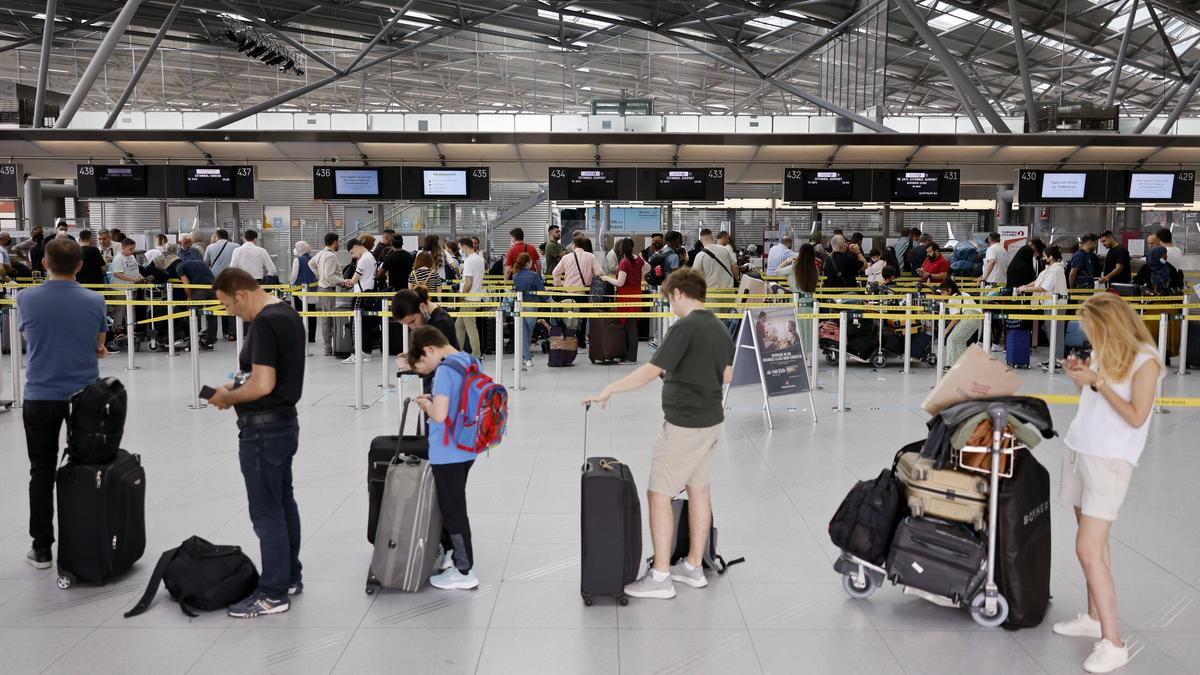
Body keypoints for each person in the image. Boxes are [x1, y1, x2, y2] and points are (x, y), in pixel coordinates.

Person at [583, 268, 734, 600]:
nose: (670, 306)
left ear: (678, 293)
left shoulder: (686, 326)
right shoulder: (718, 326)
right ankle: (693, 566)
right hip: (709, 420)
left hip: (684, 424)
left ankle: (661, 575)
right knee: (698, 490)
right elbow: (726, 374)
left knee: (659, 494)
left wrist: (610, 388)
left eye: (670, 299)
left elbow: (650, 372)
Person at [1054, 293, 1163, 674]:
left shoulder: (1146, 360)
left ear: (1112, 323)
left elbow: (1136, 417)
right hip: (1081, 449)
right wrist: (1082, 380)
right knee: (1094, 545)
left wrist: (1098, 382)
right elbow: (1095, 401)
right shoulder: (1106, 350)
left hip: (1110, 462)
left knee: (1088, 549)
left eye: (1094, 329)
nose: (1090, 337)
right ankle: (1093, 616)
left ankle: (1113, 642)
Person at [207, 268, 306, 618]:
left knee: (266, 512)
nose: (230, 312)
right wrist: (232, 386)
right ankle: (289, 575)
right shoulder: (287, 312)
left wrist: (227, 398)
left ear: (242, 294)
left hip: (263, 430)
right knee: (281, 502)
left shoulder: (264, 323)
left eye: (229, 305)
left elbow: (263, 384)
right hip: (283, 425)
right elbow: (257, 374)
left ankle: (273, 593)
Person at [17, 239, 108, 570]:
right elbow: (100, 345)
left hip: (40, 396)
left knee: (41, 470)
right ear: (81, 266)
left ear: (43, 263)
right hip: (84, 397)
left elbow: (31, 337)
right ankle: (84, 542)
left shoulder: (25, 297)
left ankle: (41, 547)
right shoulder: (95, 299)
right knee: (86, 468)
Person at [405, 327, 482, 590]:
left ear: (428, 350)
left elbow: (439, 415)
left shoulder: (445, 370)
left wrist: (427, 405)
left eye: (423, 363)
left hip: (447, 449)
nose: (425, 368)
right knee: (455, 503)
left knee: (453, 511)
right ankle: (454, 555)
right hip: (467, 444)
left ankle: (464, 570)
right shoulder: (470, 360)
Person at [390, 287, 460, 394]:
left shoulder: (440, 323)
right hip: (437, 385)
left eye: (412, 321)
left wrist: (409, 365)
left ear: (422, 307)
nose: (412, 327)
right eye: (408, 324)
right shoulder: (430, 320)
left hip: (447, 389)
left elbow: (434, 364)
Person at [1019, 244, 1068, 365]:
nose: (1043, 258)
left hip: (1056, 306)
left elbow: (1043, 288)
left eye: (1045, 256)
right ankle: (1053, 358)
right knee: (1051, 333)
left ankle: (1057, 361)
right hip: (1050, 304)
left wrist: (1025, 290)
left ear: (1051, 257)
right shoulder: (1050, 270)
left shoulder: (1055, 270)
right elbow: (1038, 281)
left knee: (1056, 334)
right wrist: (1025, 287)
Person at [601, 237, 645, 363]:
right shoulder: (638, 259)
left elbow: (620, 283)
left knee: (630, 326)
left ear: (620, 249)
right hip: (637, 293)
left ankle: (631, 356)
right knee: (631, 325)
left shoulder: (624, 262)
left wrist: (606, 278)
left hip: (626, 295)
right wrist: (639, 277)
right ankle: (628, 354)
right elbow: (647, 267)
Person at [553, 238, 604, 348]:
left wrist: (560, 283)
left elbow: (555, 272)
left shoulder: (566, 257)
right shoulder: (591, 256)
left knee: (568, 319)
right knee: (583, 319)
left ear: (574, 245)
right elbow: (600, 272)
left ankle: (568, 342)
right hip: (583, 293)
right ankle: (581, 343)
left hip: (568, 293)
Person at [340, 236, 378, 364]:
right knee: (365, 324)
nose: (353, 256)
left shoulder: (364, 259)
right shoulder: (370, 257)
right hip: (368, 294)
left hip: (360, 296)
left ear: (356, 247)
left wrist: (343, 281)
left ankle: (358, 353)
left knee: (355, 325)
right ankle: (365, 353)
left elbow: (354, 280)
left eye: (352, 252)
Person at [308, 233, 342, 356]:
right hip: (329, 290)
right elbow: (330, 276)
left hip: (322, 289)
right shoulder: (331, 256)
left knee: (326, 319)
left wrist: (319, 275)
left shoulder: (320, 253)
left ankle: (328, 348)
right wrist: (343, 281)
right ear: (334, 242)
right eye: (339, 241)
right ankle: (337, 347)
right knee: (334, 319)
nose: (340, 243)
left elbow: (310, 264)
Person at [937, 277, 981, 368]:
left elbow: (956, 317)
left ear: (949, 290)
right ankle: (961, 366)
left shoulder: (953, 298)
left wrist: (946, 331)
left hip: (968, 317)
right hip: (976, 318)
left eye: (943, 292)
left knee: (951, 339)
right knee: (960, 341)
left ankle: (951, 366)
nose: (942, 295)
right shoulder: (964, 294)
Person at [511, 253, 545, 369]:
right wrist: (550, 301)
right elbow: (542, 291)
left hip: (519, 306)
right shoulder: (534, 275)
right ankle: (527, 358)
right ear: (527, 263)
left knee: (523, 333)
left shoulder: (515, 276)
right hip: (531, 306)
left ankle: (524, 356)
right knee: (527, 333)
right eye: (530, 261)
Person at [177, 255, 218, 350]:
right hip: (214, 287)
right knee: (212, 315)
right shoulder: (200, 262)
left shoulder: (179, 267)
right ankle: (210, 342)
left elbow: (185, 284)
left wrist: (189, 297)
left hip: (200, 289)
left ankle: (192, 342)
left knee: (193, 313)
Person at [456, 238, 487, 357]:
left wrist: (463, 296)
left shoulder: (469, 261)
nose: (460, 250)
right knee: (459, 326)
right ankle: (458, 352)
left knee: (470, 328)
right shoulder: (479, 259)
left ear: (464, 247)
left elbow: (468, 282)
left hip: (469, 298)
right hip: (475, 295)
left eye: (460, 247)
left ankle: (477, 354)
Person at [290, 241, 318, 344]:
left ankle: (302, 336)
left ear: (299, 249)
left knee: (300, 313)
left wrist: (291, 285)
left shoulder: (298, 260)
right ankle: (311, 337)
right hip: (313, 290)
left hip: (299, 290)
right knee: (311, 313)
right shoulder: (313, 259)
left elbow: (294, 275)